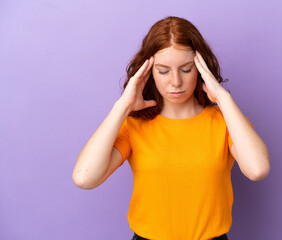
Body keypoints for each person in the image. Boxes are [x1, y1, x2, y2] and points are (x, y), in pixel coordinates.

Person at [72, 16, 270, 240]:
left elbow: (258, 169)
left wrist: (222, 98)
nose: (175, 81)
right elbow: (84, 178)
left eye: (186, 70)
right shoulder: (134, 125)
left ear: (200, 68)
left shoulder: (226, 122)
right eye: (163, 71)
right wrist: (123, 106)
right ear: (148, 73)